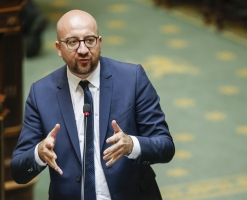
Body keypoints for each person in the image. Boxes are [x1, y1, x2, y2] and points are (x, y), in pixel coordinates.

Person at [10, 9, 175, 200]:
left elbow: (165, 146)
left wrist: (132, 145)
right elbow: (18, 170)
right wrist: (39, 153)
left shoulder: (132, 79)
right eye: (72, 42)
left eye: (90, 40)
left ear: (100, 42)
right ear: (58, 48)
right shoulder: (41, 93)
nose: (83, 50)